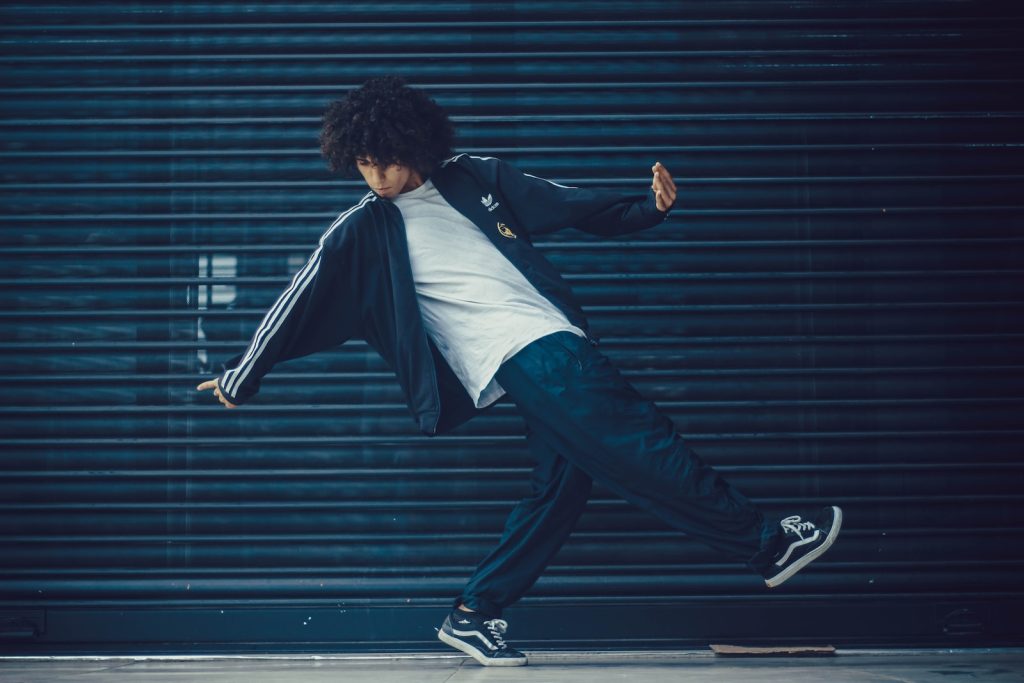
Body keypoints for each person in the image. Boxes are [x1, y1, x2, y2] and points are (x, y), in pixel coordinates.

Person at [197, 75, 842, 667]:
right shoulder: (362, 229)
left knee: (560, 490)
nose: (377, 175)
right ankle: (766, 543)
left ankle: (475, 612)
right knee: (641, 440)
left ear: (414, 144)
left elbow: (570, 205)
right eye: (363, 163)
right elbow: (297, 297)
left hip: (549, 342)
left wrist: (648, 209)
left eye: (386, 159)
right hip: (522, 353)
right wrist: (240, 377)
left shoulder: (472, 176)